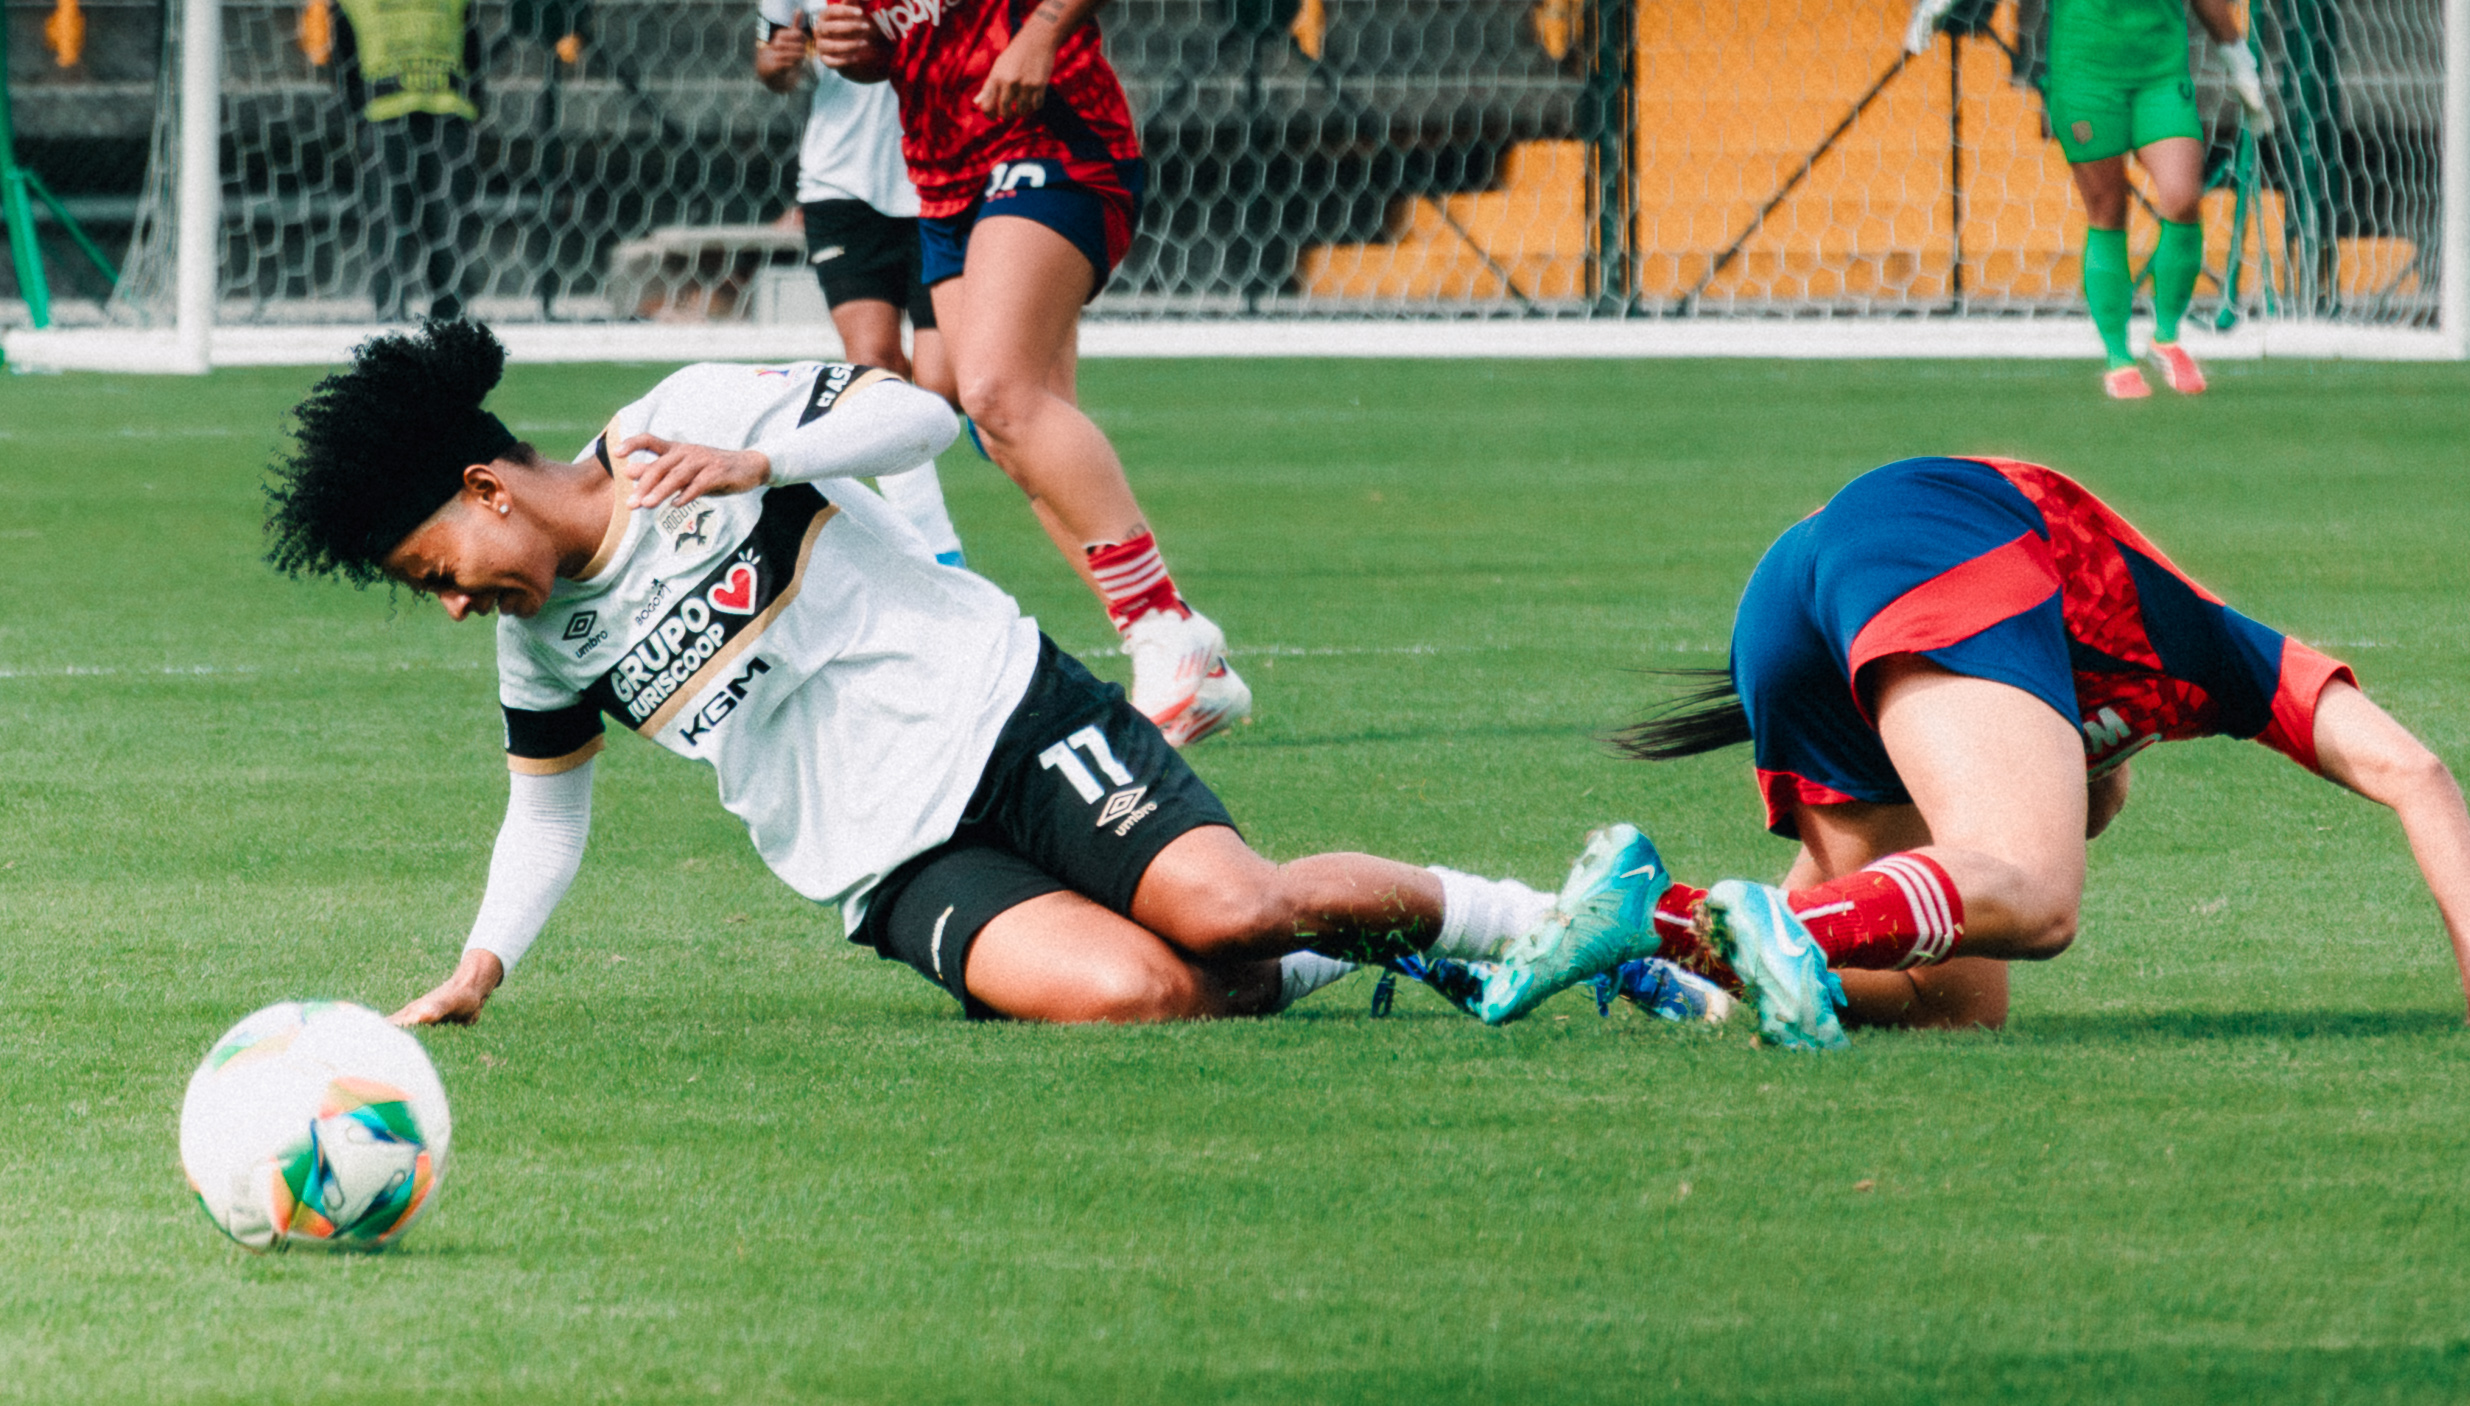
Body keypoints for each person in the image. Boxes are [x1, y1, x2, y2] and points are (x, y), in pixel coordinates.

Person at [263, 320, 1632, 1028]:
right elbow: (548, 811)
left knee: (1231, 909)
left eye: (431, 567)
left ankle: (1563, 922)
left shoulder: (685, 420)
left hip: (1002, 717)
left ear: (483, 485)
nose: (451, 605)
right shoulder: (543, 635)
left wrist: (765, 460)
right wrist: (481, 962)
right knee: (1145, 999)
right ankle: (1354, 956)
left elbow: (924, 414)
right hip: (888, 864)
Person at [1551, 455, 2470, 1050]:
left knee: (1953, 1005)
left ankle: (1647, 927)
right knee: (2038, 899)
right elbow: (2414, 772)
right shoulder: (2226, 651)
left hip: (1799, 591)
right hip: (1930, 538)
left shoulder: (2017, 692)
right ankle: (1759, 927)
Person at [808, 0, 1253, 748]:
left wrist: (1044, 29)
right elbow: (898, 41)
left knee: (996, 392)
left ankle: (1165, 630)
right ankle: (1182, 659)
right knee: (1005, 421)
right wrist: (855, 50)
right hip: (944, 175)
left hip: (1051, 142)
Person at [1907, 0, 2274, 399]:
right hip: (2085, 75)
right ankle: (2119, 358)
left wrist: (2238, 59)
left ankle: (2166, 338)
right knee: (2107, 209)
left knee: (2183, 198)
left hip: (2161, 72)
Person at [753, 0, 967, 567]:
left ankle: (992, 411)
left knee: (946, 390)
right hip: (839, 185)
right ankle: (939, 553)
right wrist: (783, 60)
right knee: (874, 367)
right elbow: (771, 63)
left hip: (943, 172)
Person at [331, 0, 484, 320]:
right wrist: (359, 108)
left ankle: (449, 325)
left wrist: (473, 103)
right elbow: (342, 52)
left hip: (447, 114)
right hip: (384, 113)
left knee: (447, 229)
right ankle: (391, 324)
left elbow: (471, 43)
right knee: (390, 226)